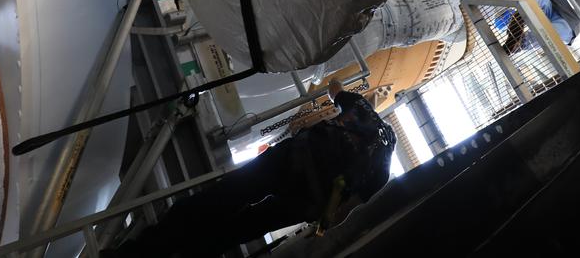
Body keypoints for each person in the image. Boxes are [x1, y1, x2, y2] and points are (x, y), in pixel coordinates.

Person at [106, 79, 395, 257]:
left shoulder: (364, 109)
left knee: (225, 197)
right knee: (240, 230)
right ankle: (190, 252)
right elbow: (340, 216)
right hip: (305, 202)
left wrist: (340, 96)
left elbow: (335, 88)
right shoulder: (382, 169)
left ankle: (141, 251)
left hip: (291, 159)